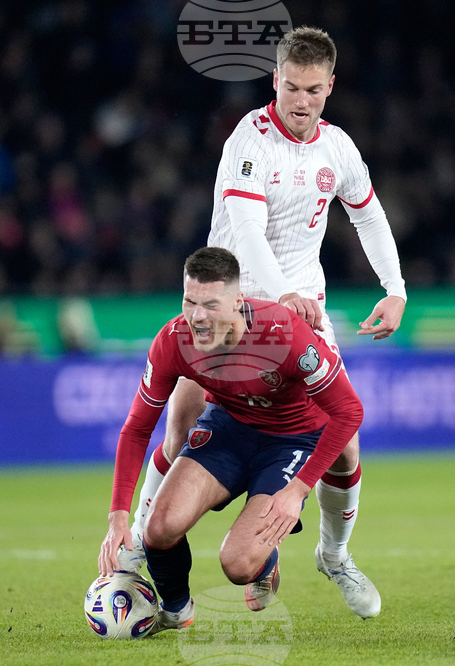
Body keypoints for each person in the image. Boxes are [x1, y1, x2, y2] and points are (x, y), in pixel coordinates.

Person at [121, 26, 405, 619]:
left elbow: (370, 217)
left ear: (331, 86)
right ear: (275, 80)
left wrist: (395, 289)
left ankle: (334, 555)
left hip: (297, 315)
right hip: (228, 307)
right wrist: (283, 295)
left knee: (345, 444)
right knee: (179, 421)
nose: (301, 102)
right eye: (291, 87)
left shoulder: (339, 149)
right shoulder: (248, 141)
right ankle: (139, 548)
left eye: (313, 90)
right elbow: (247, 234)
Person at [98, 247, 364, 633]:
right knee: (158, 528)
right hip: (230, 429)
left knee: (238, 564)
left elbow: (349, 412)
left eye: (210, 304)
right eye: (190, 302)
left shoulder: (283, 334)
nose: (198, 316)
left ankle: (269, 562)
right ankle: (176, 612)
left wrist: (298, 491)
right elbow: (137, 427)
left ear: (238, 302)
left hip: (293, 438)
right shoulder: (174, 340)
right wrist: (119, 516)